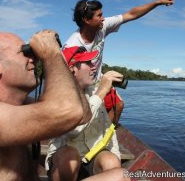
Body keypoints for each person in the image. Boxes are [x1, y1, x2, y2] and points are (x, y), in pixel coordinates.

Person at [0, 30, 121, 181]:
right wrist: (51, 53)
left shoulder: (22, 106)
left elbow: (83, 114)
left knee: (120, 175)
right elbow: (71, 111)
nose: (33, 60)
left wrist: (62, 61)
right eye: (25, 53)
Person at [64, 0, 178, 126]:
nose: (103, 18)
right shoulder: (72, 45)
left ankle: (109, 134)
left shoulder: (102, 27)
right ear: (86, 20)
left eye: (102, 14)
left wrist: (157, 2)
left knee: (118, 105)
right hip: (81, 86)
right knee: (88, 118)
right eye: (99, 15)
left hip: (97, 79)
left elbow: (130, 14)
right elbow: (64, 75)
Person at [45, 46, 129, 181]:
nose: (94, 67)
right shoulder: (57, 95)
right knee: (70, 158)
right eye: (88, 63)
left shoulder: (95, 88)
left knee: (113, 164)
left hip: (94, 153)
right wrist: (101, 92)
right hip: (66, 154)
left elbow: (108, 129)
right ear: (72, 69)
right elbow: (74, 130)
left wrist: (115, 159)